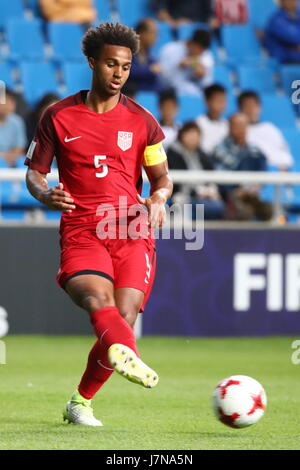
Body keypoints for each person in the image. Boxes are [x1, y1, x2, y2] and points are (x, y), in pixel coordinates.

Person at [25, 22, 173, 427]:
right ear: (92, 62)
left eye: (125, 66)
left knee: (120, 320)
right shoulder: (57, 116)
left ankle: (80, 402)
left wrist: (158, 200)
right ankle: (131, 355)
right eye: (111, 64)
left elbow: (162, 179)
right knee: (96, 301)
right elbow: (35, 173)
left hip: (131, 231)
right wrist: (43, 194)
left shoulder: (143, 121)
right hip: (82, 227)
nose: (119, 73)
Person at [212, 113, 273, 221]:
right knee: (244, 211)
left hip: (251, 193)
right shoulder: (219, 149)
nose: (241, 129)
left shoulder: (255, 151)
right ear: (230, 127)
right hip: (228, 196)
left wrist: (254, 187)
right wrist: (237, 191)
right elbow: (220, 179)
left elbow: (262, 172)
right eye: (237, 125)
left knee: (268, 210)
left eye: (244, 125)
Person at [167, 121, 224, 220]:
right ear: (182, 135)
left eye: (196, 135)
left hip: (206, 196)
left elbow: (212, 174)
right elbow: (176, 183)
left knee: (219, 205)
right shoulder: (173, 154)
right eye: (190, 134)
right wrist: (198, 192)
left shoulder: (202, 154)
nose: (193, 138)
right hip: (183, 197)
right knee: (212, 207)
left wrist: (211, 190)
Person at [238, 90, 294, 170]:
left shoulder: (270, 128)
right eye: (246, 106)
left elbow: (285, 154)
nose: (250, 110)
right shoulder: (239, 131)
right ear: (240, 109)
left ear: (259, 107)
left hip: (278, 174)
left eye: (253, 105)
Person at [159, 29, 214, 96]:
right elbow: (161, 78)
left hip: (194, 93)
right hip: (168, 92)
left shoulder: (206, 55)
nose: (200, 53)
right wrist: (178, 66)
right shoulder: (170, 49)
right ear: (191, 43)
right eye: (199, 49)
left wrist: (202, 76)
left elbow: (207, 84)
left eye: (203, 50)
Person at [127, 18, 163, 92]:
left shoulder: (151, 59)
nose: (156, 38)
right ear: (141, 34)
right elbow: (126, 72)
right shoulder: (127, 53)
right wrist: (149, 70)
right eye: (153, 33)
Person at [195, 83, 228, 155]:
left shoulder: (227, 125)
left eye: (223, 100)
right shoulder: (198, 123)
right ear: (207, 102)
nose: (222, 104)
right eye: (218, 100)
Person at [0, 89, 26, 167]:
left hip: (13, 160)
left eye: (11, 102)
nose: (7, 105)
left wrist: (11, 157)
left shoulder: (17, 121)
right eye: (4, 102)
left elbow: (20, 147)